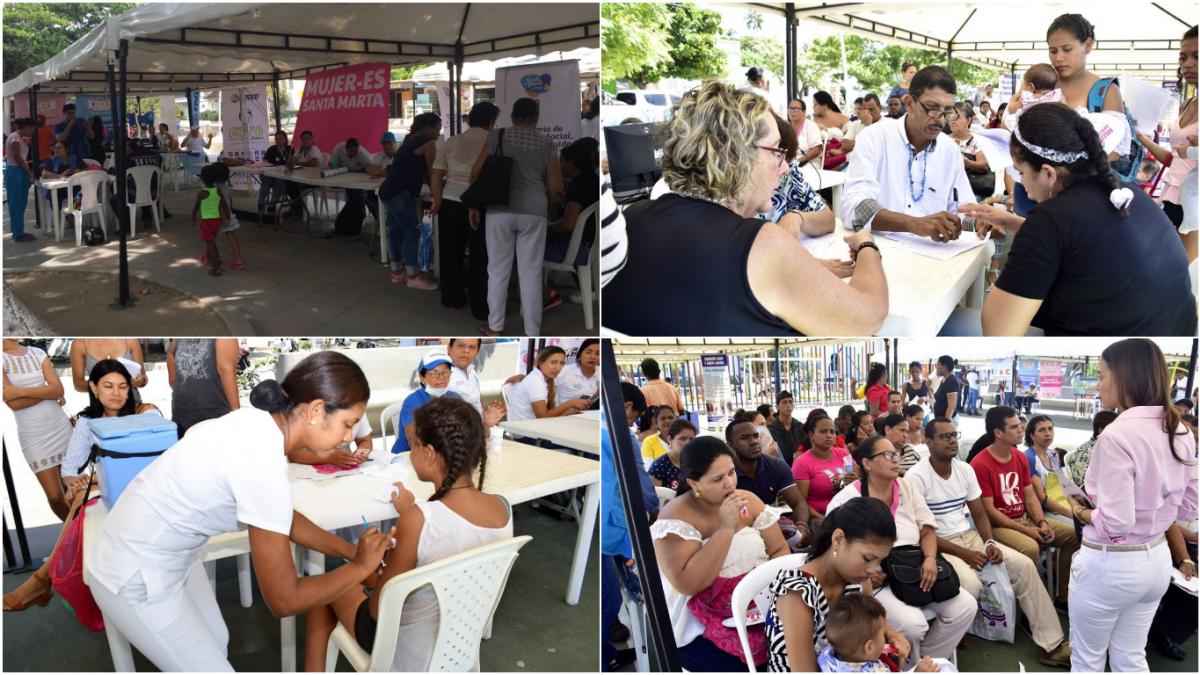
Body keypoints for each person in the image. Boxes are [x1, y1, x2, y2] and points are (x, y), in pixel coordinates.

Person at [85, 352, 398, 671]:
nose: (349, 437)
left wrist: (349, 552)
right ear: (316, 411)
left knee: (215, 641)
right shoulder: (261, 460)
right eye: (348, 424)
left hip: (164, 552)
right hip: (133, 570)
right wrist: (359, 568)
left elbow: (281, 518)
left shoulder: (258, 423)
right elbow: (284, 599)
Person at [602, 82, 887, 336]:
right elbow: (868, 317)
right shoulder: (761, 244)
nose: (785, 165)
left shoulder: (629, 218)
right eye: (777, 151)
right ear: (737, 157)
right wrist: (866, 245)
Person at [303, 396, 511, 671]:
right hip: (459, 636)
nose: (411, 454)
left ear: (429, 452)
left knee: (328, 587)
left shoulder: (419, 519)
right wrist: (411, 514)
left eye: (413, 446)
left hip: (405, 648)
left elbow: (380, 608)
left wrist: (370, 566)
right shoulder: (502, 508)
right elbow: (450, 537)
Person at [961, 104, 1197, 336]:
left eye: (1020, 172)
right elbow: (1082, 246)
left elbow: (998, 331)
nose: (1021, 183)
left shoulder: (1051, 218)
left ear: (1048, 173)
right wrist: (1011, 221)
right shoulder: (1130, 196)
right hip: (1172, 335)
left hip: (1106, 343)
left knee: (953, 323)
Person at [1067, 339, 1198, 671]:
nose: (1098, 384)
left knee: (1088, 660)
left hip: (1110, 565)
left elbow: (1116, 523)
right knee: (1130, 655)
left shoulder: (1115, 436)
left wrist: (1081, 510)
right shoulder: (1180, 428)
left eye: (1103, 374)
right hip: (1156, 560)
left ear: (1123, 376)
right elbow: (1190, 504)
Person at [906, 417, 1072, 667]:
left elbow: (979, 514)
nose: (952, 440)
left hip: (969, 536)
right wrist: (964, 554)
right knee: (971, 584)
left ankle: (1052, 645)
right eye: (944, 436)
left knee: (1024, 565)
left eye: (954, 435)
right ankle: (936, 649)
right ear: (928, 442)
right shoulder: (915, 477)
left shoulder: (964, 470)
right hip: (940, 544)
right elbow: (922, 533)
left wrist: (990, 543)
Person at [826, 436, 977, 664]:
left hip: (912, 565)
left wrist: (929, 559)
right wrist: (866, 569)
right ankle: (917, 665)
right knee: (912, 624)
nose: (896, 459)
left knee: (965, 607)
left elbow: (927, 529)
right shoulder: (846, 500)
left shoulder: (906, 486)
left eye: (896, 454)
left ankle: (923, 663)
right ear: (867, 463)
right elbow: (834, 549)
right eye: (887, 455)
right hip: (877, 576)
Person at [650, 436, 789, 671]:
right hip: (700, 621)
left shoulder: (749, 502)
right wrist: (725, 529)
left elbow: (779, 549)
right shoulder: (675, 519)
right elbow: (688, 584)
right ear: (694, 484)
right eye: (717, 479)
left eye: (731, 473)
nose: (729, 483)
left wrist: (764, 593)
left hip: (758, 605)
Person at [765, 496, 904, 672]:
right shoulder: (798, 593)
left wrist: (892, 634)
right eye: (868, 558)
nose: (872, 569)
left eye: (878, 561)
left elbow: (874, 620)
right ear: (838, 539)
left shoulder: (857, 578)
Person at [841, 66, 978, 243]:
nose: (940, 119)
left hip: (934, 257)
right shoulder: (874, 137)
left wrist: (977, 222)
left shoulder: (949, 150)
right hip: (880, 251)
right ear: (908, 103)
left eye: (947, 110)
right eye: (931, 107)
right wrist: (912, 224)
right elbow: (854, 206)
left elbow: (961, 209)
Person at [970, 405, 1077, 606]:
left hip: (1025, 519)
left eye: (1020, 426)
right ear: (998, 433)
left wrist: (1042, 522)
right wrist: (1027, 530)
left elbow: (1030, 498)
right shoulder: (980, 463)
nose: (1021, 430)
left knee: (1073, 535)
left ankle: (1063, 597)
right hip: (999, 525)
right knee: (1030, 548)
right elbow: (989, 512)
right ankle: (1030, 609)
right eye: (1015, 427)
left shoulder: (1019, 457)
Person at [471, 98, 560, 336]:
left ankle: (495, 326)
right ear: (536, 117)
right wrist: (546, 206)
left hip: (499, 211)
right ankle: (533, 330)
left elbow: (476, 173)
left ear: (512, 117)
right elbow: (556, 187)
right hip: (534, 211)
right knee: (531, 274)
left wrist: (475, 205)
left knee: (497, 270)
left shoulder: (497, 137)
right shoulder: (548, 144)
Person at [1045, 13, 1142, 183]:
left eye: (1067, 49)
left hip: (1085, 190)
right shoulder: (1043, 83)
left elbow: (1114, 152)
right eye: (1053, 51)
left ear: (1088, 45)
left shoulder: (1105, 91)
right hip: (1038, 188)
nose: (1058, 57)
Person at [602, 382, 659, 671]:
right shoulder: (620, 435)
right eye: (633, 416)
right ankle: (604, 658)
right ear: (625, 407)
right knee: (611, 598)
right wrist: (656, 508)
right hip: (614, 525)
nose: (633, 423)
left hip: (603, 521)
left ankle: (607, 652)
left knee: (611, 593)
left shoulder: (598, 427)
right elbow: (641, 485)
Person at [1137, 25, 1198, 261]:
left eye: (1197, 56)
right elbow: (1174, 159)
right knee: (1169, 266)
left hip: (1195, 202)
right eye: (1183, 57)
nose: (1188, 64)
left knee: (1186, 273)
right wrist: (1141, 137)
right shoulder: (1187, 104)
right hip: (1171, 195)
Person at [431, 102, 497, 317]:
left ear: (469, 120)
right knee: (481, 257)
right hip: (479, 204)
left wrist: (437, 200)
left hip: (450, 201)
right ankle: (481, 308)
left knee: (450, 254)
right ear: (491, 122)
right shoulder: (493, 141)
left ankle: (452, 299)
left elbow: (436, 174)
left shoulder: (451, 141)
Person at [2, 339, 72, 521]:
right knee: (55, 497)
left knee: (74, 490)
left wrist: (18, 391)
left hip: (60, 427)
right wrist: (46, 392)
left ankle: (84, 535)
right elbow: (15, 404)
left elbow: (58, 389)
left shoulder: (37, 352)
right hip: (33, 435)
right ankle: (73, 531)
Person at [378, 114, 440, 290]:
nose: (438, 132)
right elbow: (431, 173)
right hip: (401, 194)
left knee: (395, 231)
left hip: (388, 191)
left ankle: (397, 273)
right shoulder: (428, 142)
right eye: (437, 128)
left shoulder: (408, 140)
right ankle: (413, 276)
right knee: (411, 233)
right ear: (427, 128)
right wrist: (437, 196)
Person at [727, 413, 810, 528]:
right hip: (738, 530)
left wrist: (802, 526)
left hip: (772, 526)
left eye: (756, 436)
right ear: (730, 445)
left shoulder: (776, 465)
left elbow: (798, 503)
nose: (754, 441)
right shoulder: (724, 474)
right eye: (744, 438)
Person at [818, 593, 940, 672]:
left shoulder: (826, 655)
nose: (886, 637)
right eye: (883, 634)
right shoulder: (877, 670)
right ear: (869, 646)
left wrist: (898, 662)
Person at [544, 137, 600, 307]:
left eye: (561, 161)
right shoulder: (592, 179)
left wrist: (546, 230)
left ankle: (546, 295)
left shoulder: (578, 186)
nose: (558, 165)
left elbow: (568, 225)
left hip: (577, 249)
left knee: (524, 250)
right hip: (591, 245)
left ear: (572, 163)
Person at [389, 351, 463, 454]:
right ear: (422, 378)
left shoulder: (456, 398)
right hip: (408, 456)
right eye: (434, 373)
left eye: (445, 372)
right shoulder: (413, 402)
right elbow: (414, 442)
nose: (441, 377)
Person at [792, 414, 853, 532]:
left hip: (847, 512)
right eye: (823, 431)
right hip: (819, 516)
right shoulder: (802, 463)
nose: (829, 435)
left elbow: (854, 477)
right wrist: (826, 520)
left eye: (832, 431)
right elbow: (801, 504)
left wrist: (853, 479)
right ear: (811, 435)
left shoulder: (843, 454)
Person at [167, 339, 240, 438]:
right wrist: (237, 413)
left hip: (182, 414)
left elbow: (171, 350)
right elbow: (225, 369)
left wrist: (175, 381)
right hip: (214, 416)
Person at [506, 346, 590, 422]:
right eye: (553, 362)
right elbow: (543, 417)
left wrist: (565, 413)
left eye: (561, 363)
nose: (558, 367)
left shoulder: (540, 379)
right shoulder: (535, 382)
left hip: (532, 427)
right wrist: (570, 403)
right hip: (527, 433)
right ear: (540, 363)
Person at [1023, 415, 1074, 526]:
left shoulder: (1053, 455)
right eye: (1042, 430)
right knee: (1080, 529)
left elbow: (1064, 486)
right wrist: (1070, 513)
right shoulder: (1029, 459)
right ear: (1032, 435)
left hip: (1062, 503)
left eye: (1050, 429)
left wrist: (1077, 507)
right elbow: (1042, 499)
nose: (1048, 433)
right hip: (1045, 510)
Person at [948, 103, 995, 201]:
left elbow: (983, 166)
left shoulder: (977, 140)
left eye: (957, 117)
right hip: (946, 190)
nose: (953, 120)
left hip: (972, 191)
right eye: (950, 116)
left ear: (969, 120)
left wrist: (967, 163)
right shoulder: (942, 140)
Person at [191, 165, 231, 276]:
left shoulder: (202, 193)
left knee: (210, 243)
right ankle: (217, 258)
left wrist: (193, 218)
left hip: (206, 222)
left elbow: (196, 208)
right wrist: (227, 218)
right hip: (217, 221)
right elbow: (224, 205)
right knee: (212, 240)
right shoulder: (218, 191)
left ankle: (215, 267)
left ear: (203, 179)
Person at [1063, 410, 1118, 489]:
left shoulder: (1088, 445)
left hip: (1083, 491)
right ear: (1101, 430)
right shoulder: (1101, 450)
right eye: (1114, 429)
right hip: (1089, 494)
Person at [69, 339, 147, 392]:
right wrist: (100, 386)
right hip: (100, 408)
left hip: (132, 404)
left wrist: (139, 381)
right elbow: (78, 384)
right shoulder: (80, 343)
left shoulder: (130, 340)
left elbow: (143, 378)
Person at [5, 117, 37, 241]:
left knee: (21, 202)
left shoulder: (20, 138)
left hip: (20, 171)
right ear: (28, 127)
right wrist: (29, 172)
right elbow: (17, 158)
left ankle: (18, 230)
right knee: (16, 203)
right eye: (32, 130)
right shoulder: (15, 137)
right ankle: (18, 233)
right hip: (15, 171)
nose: (32, 132)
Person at [649, 418, 697, 490]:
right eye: (683, 438)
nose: (688, 443)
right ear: (670, 439)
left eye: (691, 439)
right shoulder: (659, 466)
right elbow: (656, 496)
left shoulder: (697, 462)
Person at [328, 136, 372, 214]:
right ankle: (351, 214)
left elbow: (371, 167)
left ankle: (360, 215)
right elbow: (332, 164)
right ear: (346, 149)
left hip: (359, 174)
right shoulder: (338, 149)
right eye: (351, 152)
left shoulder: (363, 155)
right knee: (350, 195)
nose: (354, 154)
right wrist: (335, 170)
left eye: (356, 151)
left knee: (357, 193)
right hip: (343, 173)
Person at [363, 131, 396, 223]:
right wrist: (385, 172)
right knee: (367, 196)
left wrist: (378, 171)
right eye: (384, 144)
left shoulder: (400, 155)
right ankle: (381, 219)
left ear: (394, 143)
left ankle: (388, 218)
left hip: (394, 189)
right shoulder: (379, 156)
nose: (387, 146)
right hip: (379, 186)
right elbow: (369, 169)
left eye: (389, 143)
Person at [259, 130, 294, 213]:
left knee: (280, 181)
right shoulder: (271, 149)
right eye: (277, 139)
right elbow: (264, 161)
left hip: (284, 175)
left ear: (285, 139)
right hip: (270, 174)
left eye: (281, 138)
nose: (279, 141)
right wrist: (265, 161)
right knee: (267, 181)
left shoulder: (290, 149)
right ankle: (260, 202)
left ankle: (272, 204)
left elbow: (293, 163)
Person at [556, 338, 599, 405]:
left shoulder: (603, 374)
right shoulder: (562, 372)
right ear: (580, 354)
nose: (593, 357)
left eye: (598, 353)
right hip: (563, 414)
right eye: (588, 352)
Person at [768, 390, 806, 466]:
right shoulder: (770, 429)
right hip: (778, 467)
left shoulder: (800, 427)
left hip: (799, 466)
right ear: (777, 406)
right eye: (784, 402)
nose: (788, 405)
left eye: (790, 402)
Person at [788, 99, 824, 167]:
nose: (792, 111)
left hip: (809, 161)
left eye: (796, 109)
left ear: (804, 112)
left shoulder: (810, 125)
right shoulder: (786, 127)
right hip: (790, 162)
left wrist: (798, 162)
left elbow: (817, 149)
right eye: (790, 108)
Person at [931, 356, 959, 422]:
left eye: (937, 365)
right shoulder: (944, 380)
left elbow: (951, 406)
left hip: (947, 421)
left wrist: (945, 423)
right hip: (940, 419)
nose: (936, 367)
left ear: (944, 367)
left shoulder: (951, 381)